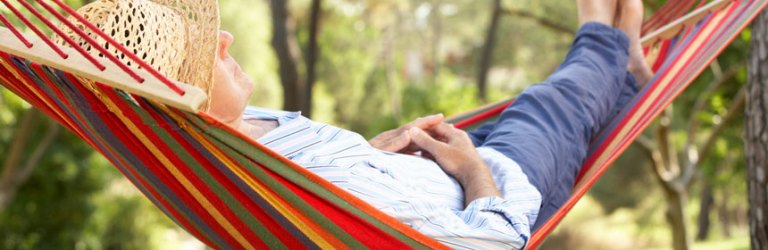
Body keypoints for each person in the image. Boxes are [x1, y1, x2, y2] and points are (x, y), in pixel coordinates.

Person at [62, 0, 653, 248]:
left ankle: (620, 63)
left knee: (548, 102)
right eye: (201, 54)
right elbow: (492, 244)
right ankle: (607, 38)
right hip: (505, 188)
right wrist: (473, 168)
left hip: (445, 165)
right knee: (552, 102)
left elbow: (345, 199)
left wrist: (377, 154)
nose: (224, 37)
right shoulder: (268, 177)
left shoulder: (240, 143)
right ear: (178, 98)